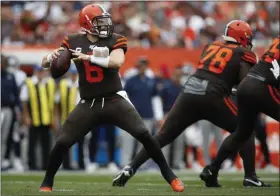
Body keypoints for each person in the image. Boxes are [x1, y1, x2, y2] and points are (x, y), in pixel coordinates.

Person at [39, 4, 183, 192]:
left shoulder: (115, 40)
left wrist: (87, 57)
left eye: (105, 20)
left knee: (144, 134)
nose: (105, 25)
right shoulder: (73, 40)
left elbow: (117, 62)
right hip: (88, 103)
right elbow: (45, 64)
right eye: (99, 22)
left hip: (114, 100)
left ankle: (170, 176)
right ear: (86, 24)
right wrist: (50, 58)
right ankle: (47, 182)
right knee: (63, 141)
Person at [113, 20, 270, 187]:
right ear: (242, 38)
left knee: (162, 136)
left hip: (189, 92)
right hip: (213, 96)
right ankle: (241, 175)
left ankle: (130, 167)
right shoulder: (243, 54)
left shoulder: (211, 46)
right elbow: (245, 85)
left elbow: (211, 71)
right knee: (245, 130)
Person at [201, 36, 279, 187]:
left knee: (242, 133)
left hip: (245, 87)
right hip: (261, 86)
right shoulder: (242, 53)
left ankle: (213, 169)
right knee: (243, 133)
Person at [124, 57, 164, 166]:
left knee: (144, 141)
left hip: (147, 115)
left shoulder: (151, 81)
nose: (142, 67)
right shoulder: (130, 80)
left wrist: (158, 116)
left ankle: (141, 164)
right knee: (128, 139)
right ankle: (125, 162)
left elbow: (155, 99)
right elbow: (124, 97)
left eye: (144, 65)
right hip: (133, 115)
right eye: (141, 65)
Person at [20, 65, 55, 170]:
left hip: (46, 118)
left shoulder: (48, 83)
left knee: (46, 144)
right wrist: (26, 116)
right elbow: (24, 101)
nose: (41, 73)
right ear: (35, 72)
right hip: (34, 118)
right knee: (32, 143)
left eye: (42, 72)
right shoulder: (29, 83)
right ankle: (32, 165)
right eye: (39, 71)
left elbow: (52, 102)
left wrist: (52, 118)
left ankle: (45, 165)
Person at [55, 65, 80, 170]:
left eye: (75, 74)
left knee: (81, 143)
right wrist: (56, 117)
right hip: (66, 118)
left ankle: (81, 163)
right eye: (72, 74)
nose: (73, 76)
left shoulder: (81, 84)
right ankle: (66, 164)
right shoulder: (63, 84)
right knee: (65, 142)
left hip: (80, 119)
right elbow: (57, 102)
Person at [1, 55, 22, 171]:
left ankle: (2, 160)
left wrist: (18, 109)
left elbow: (16, 94)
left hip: (7, 109)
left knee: (5, 137)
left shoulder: (10, 75)